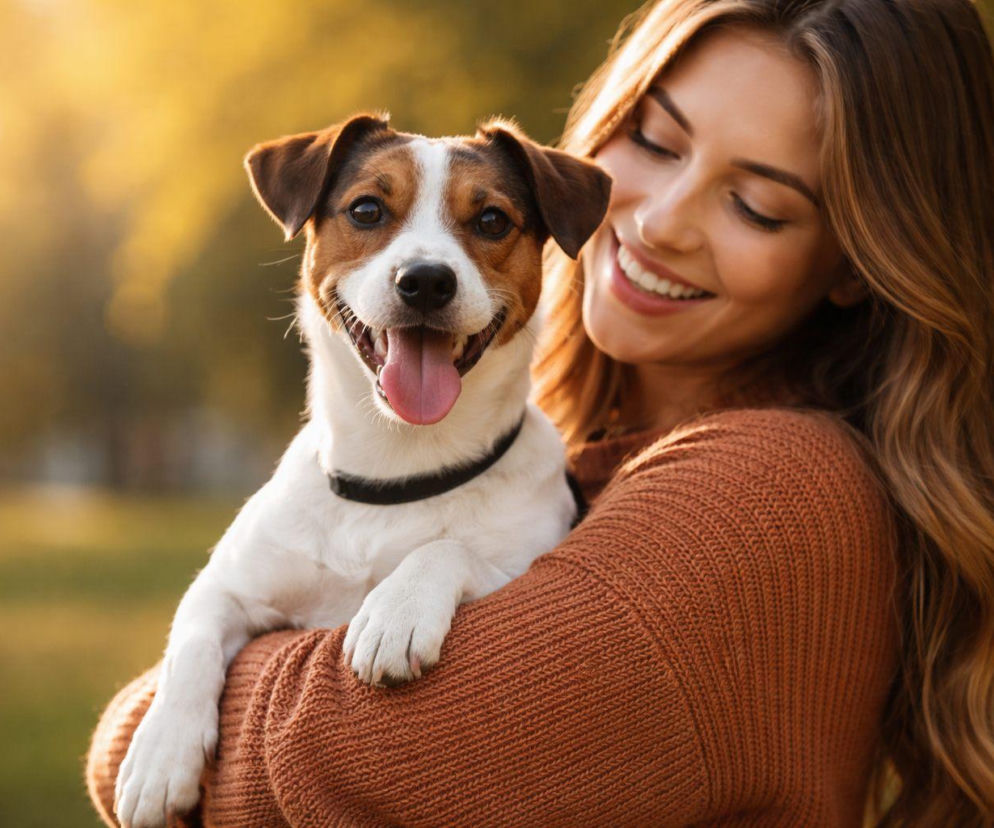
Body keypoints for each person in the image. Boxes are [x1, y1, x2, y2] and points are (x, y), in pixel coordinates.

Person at [87, 0, 994, 824]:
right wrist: (179, 696)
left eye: (756, 206)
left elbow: (368, 768)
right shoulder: (583, 462)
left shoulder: (767, 499)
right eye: (656, 141)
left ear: (856, 261)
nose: (661, 222)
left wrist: (175, 712)